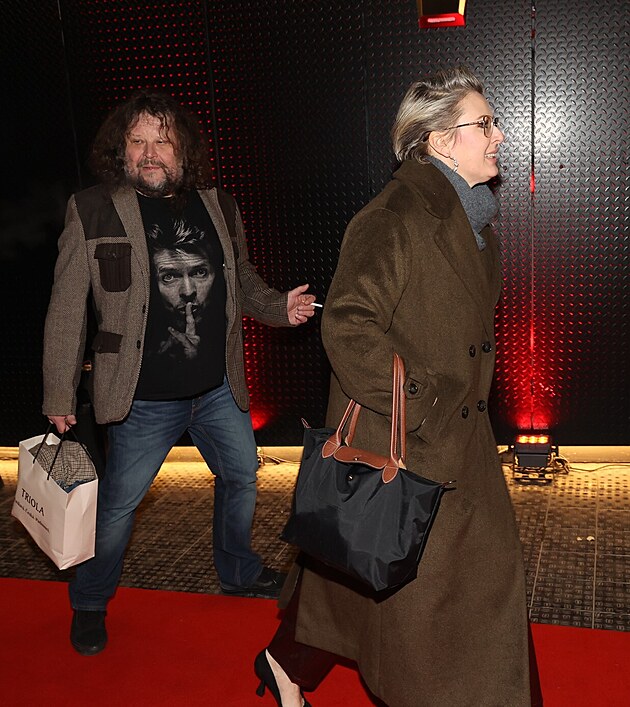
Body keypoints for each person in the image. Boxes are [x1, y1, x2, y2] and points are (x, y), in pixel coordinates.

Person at [254, 66, 543, 706]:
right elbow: (348, 326)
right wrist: (423, 404)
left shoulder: (476, 225)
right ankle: (295, 663)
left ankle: (287, 661)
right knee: (401, 595)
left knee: (460, 581)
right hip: (408, 445)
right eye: (484, 124)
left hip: (460, 444)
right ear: (440, 141)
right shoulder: (393, 217)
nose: (498, 136)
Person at [42, 90, 316, 656]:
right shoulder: (91, 209)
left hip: (217, 390)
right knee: (117, 509)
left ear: (183, 151)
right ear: (121, 150)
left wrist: (278, 307)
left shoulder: (219, 206)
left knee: (241, 478)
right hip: (142, 398)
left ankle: (237, 570)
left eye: (161, 142)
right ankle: (90, 602)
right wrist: (58, 391)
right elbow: (67, 308)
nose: (149, 153)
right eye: (137, 141)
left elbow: (241, 280)